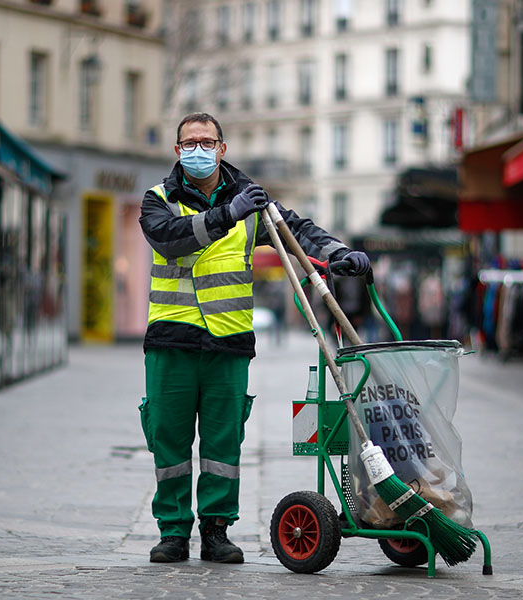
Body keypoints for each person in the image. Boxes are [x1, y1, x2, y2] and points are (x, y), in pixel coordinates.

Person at [138, 112, 370, 563]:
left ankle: (216, 531)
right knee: (169, 440)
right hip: (172, 341)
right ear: (177, 150)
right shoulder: (159, 199)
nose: (198, 150)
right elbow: (170, 240)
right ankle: (172, 532)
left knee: (224, 443)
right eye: (190, 143)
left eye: (207, 142)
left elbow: (296, 231)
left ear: (222, 149)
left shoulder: (253, 203)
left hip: (229, 343)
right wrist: (228, 214)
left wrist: (337, 254)